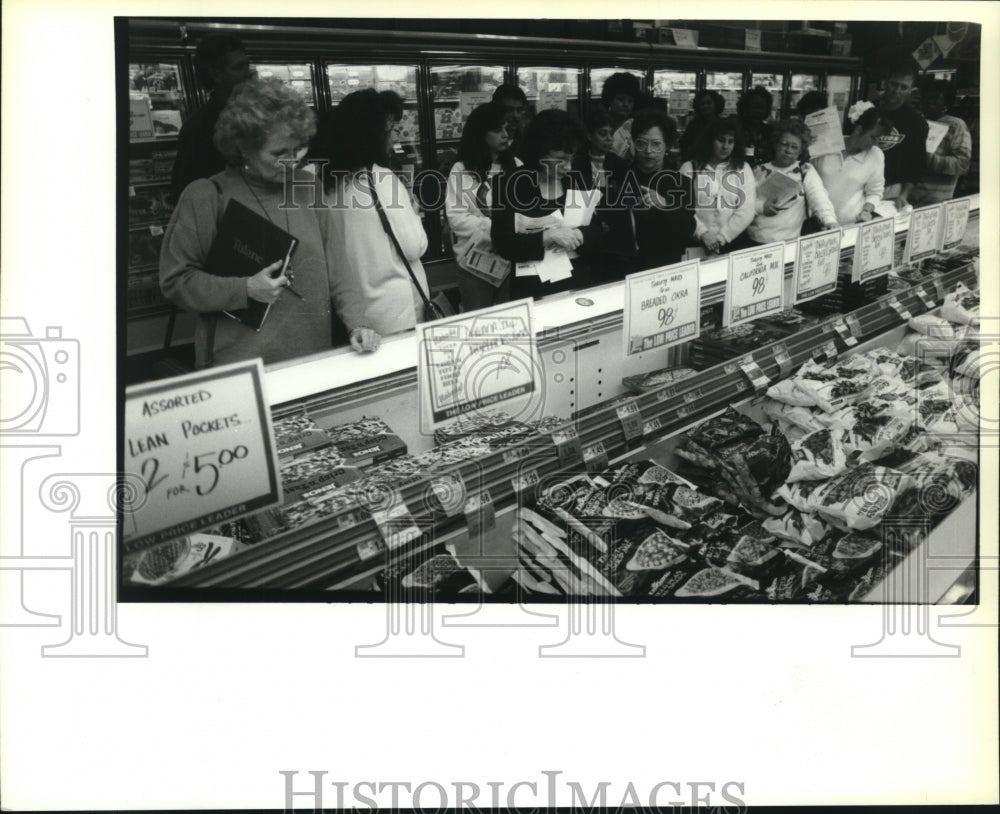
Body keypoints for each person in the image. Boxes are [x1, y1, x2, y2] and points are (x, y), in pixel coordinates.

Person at [160, 78, 369, 369]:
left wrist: (357, 323)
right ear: (243, 147)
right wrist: (244, 289)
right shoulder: (207, 196)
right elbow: (175, 281)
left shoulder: (308, 187)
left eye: (298, 149)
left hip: (311, 356)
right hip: (240, 365)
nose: (292, 162)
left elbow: (337, 267)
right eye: (278, 153)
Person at [321, 89, 431, 338]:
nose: (393, 137)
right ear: (372, 134)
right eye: (389, 130)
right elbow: (415, 246)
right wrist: (413, 211)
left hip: (353, 313)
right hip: (397, 311)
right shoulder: (381, 179)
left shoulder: (326, 180)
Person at [490, 109, 598, 299]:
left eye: (571, 159)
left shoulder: (577, 181)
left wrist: (580, 234)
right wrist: (547, 236)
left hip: (577, 281)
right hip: (531, 287)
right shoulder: (508, 184)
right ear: (539, 152)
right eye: (560, 160)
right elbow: (503, 243)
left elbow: (599, 229)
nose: (568, 167)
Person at [445, 102, 520, 311]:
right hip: (473, 263)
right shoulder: (461, 170)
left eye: (506, 129)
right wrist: (498, 228)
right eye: (497, 130)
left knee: (511, 319)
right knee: (478, 325)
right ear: (480, 134)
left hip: (510, 260)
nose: (505, 135)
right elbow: (457, 220)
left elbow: (524, 215)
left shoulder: (517, 165)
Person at [171, 34, 254, 197]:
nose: (249, 73)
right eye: (239, 68)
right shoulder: (198, 128)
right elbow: (188, 192)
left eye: (247, 65)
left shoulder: (257, 114)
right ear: (216, 75)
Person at [626, 109, 701, 270]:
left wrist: (665, 203)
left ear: (667, 146)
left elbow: (689, 227)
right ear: (633, 143)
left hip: (665, 268)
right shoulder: (620, 177)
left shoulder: (680, 182)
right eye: (641, 143)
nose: (648, 151)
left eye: (656, 144)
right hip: (625, 268)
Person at [747, 119, 838, 245]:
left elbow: (818, 196)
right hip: (756, 241)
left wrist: (830, 221)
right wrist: (761, 207)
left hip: (790, 243)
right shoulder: (758, 171)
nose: (788, 150)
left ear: (801, 150)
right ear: (775, 144)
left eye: (794, 147)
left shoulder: (805, 170)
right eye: (784, 144)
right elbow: (743, 203)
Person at [679, 116, 756, 255]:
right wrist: (702, 233)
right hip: (695, 244)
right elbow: (682, 209)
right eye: (721, 140)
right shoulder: (689, 167)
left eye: (731, 141)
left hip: (731, 244)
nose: (725, 146)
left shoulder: (743, 168)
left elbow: (747, 210)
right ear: (709, 140)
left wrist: (722, 238)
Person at [812, 102, 887, 225]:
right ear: (858, 130)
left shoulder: (876, 155)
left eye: (879, 139)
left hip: (851, 224)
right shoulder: (826, 146)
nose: (876, 143)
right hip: (818, 222)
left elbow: (875, 191)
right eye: (873, 137)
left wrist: (866, 211)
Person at [910, 80, 972, 206]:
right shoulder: (916, 122)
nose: (928, 101)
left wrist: (929, 160)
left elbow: (962, 164)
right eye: (926, 97)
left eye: (935, 98)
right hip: (906, 200)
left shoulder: (956, 125)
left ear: (946, 102)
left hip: (936, 204)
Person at [876, 62, 929, 210]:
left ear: (911, 90)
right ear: (886, 83)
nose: (897, 90)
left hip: (892, 189)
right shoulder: (866, 109)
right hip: (858, 184)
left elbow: (917, 164)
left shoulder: (917, 122)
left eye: (904, 87)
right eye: (894, 84)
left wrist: (904, 195)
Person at [571, 105, 630, 191]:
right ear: (590, 136)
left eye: (611, 134)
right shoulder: (576, 163)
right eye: (603, 133)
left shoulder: (619, 164)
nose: (609, 138)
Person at [602, 72, 642, 160]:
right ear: (609, 100)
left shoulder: (638, 127)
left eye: (630, 101)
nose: (626, 104)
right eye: (621, 99)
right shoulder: (600, 124)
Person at [679, 89, 724, 164]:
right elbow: (684, 146)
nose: (705, 106)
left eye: (709, 103)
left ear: (716, 104)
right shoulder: (693, 125)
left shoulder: (723, 124)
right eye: (702, 104)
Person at [737, 86, 775, 166]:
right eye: (755, 106)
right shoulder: (735, 128)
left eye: (762, 108)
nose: (758, 111)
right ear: (746, 106)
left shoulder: (769, 131)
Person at [492, 84, 528, 156]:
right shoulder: (488, 143)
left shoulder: (528, 142)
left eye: (519, 110)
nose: (515, 115)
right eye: (509, 110)